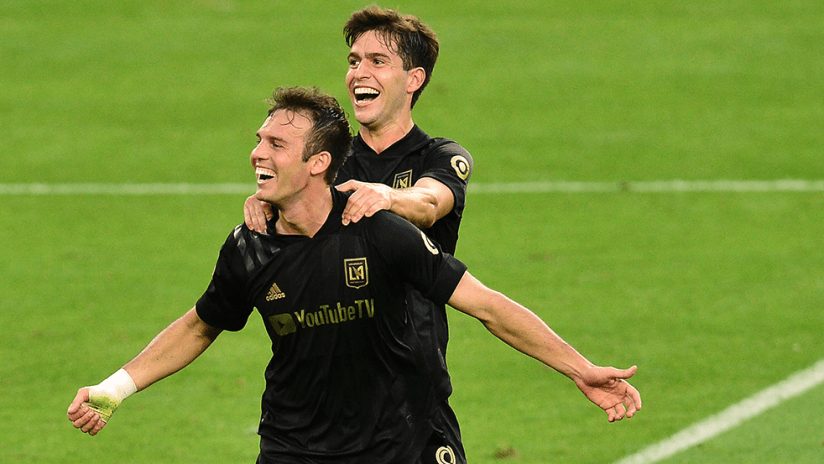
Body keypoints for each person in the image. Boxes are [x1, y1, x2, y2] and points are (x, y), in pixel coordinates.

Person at [68, 87, 641, 464]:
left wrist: (581, 368)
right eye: (258, 139)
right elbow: (200, 325)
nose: (255, 153)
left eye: (275, 144)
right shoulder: (249, 245)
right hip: (294, 448)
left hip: (399, 445)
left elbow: (486, 304)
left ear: (318, 163)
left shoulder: (378, 231)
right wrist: (115, 389)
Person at [243, 8, 475, 457]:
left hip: (414, 401)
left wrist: (387, 197)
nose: (358, 73)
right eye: (353, 61)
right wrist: (266, 198)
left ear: (414, 80)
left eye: (376, 61)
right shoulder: (326, 164)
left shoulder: (440, 156)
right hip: (330, 407)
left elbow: (429, 203)